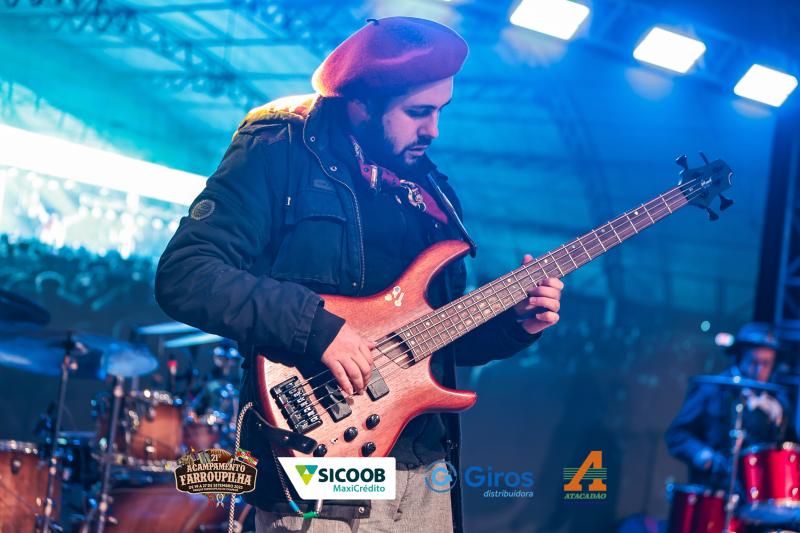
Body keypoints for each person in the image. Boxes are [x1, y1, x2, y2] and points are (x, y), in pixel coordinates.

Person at [154, 17, 564, 532]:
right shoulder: (278, 154)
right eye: (418, 112)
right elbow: (185, 274)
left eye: (441, 111)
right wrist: (317, 327)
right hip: (326, 472)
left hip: (425, 479)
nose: (434, 130)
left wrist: (513, 325)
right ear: (362, 103)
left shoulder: (432, 196)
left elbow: (431, 343)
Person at [665, 322, 787, 488]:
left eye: (766, 364)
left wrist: (780, 423)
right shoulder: (712, 390)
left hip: (756, 494)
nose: (759, 371)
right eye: (753, 362)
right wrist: (702, 455)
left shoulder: (777, 400)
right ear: (740, 358)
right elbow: (677, 434)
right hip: (713, 490)